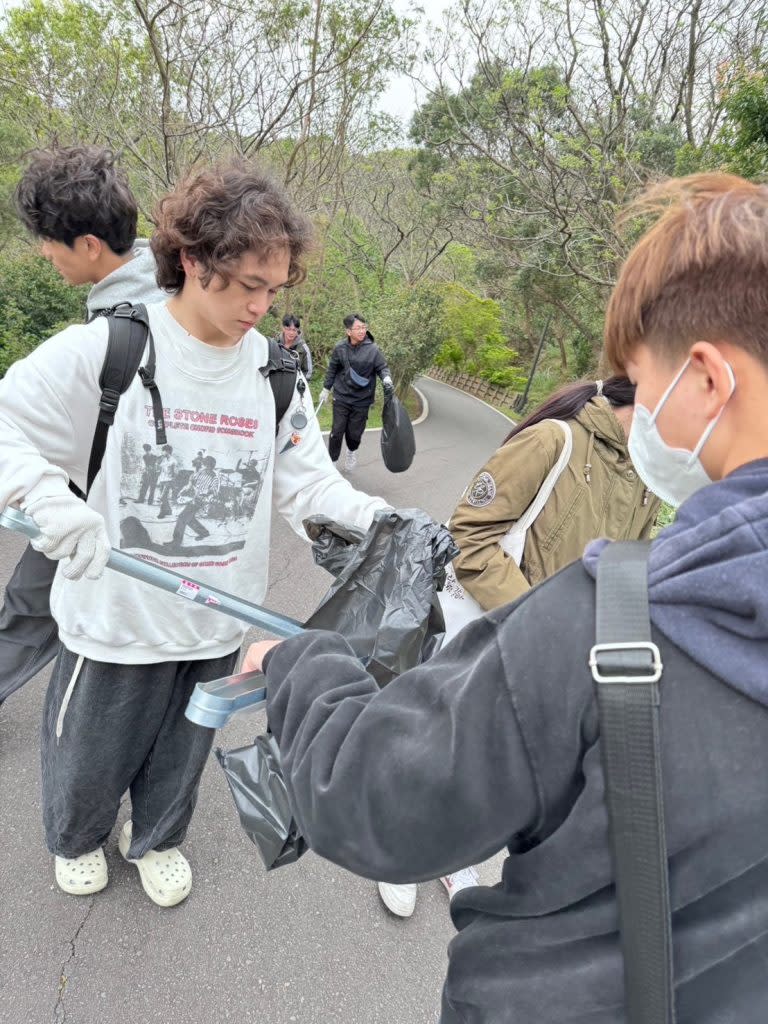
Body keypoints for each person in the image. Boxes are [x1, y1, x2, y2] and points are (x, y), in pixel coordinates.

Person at [242, 172, 768, 1023]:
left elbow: (382, 793)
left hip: (536, 685)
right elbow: (476, 530)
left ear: (706, 379)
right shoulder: (560, 453)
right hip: (489, 645)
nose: (639, 409)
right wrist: (534, 616)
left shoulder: (619, 621)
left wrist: (306, 668)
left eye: (644, 376)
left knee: (459, 779)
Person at [0, 160, 391, 907]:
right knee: (87, 756)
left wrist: (374, 518)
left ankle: (154, 840)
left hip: (217, 620)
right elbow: (7, 424)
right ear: (190, 260)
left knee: (181, 757)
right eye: (247, 284)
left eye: (273, 290)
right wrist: (49, 501)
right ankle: (77, 837)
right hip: (116, 619)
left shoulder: (275, 377)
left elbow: (307, 482)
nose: (260, 305)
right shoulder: (112, 350)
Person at [379, 375, 660, 918]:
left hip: (557, 659)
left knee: (492, 762)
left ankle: (453, 854)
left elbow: (625, 571)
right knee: (443, 743)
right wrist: (541, 617)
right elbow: (469, 536)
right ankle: (399, 852)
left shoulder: (648, 480)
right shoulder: (554, 441)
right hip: (494, 634)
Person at [0, 144, 167, 708]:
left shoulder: (122, 325)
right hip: (135, 508)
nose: (45, 254)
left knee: (28, 613)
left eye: (50, 243)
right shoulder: (168, 293)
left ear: (90, 246)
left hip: (97, 499)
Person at [319, 313, 394, 471]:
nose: (362, 331)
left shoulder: (373, 349)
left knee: (354, 435)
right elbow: (332, 369)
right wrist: (326, 389)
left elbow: (382, 367)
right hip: (341, 397)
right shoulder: (340, 348)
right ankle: (331, 463)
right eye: (358, 328)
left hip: (362, 400)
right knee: (336, 432)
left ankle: (352, 451)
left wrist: (386, 379)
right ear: (348, 331)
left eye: (364, 327)